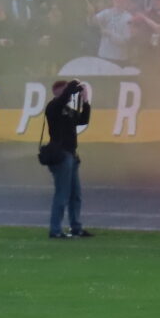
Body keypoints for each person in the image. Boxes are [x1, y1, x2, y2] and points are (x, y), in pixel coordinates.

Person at [43, 79, 93, 239]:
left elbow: (83, 120)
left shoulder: (67, 110)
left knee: (75, 195)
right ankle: (55, 229)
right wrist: (71, 87)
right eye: (65, 91)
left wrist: (85, 101)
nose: (69, 95)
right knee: (62, 194)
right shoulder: (53, 108)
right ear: (57, 91)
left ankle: (76, 227)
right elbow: (63, 98)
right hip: (60, 155)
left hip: (71, 154)